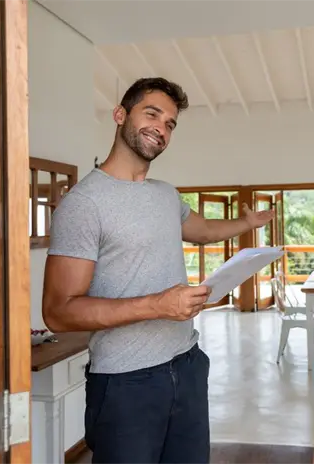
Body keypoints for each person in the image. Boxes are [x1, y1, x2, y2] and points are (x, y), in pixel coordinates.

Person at [42, 77, 275, 464]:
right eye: (152, 114)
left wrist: (246, 224)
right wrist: (158, 305)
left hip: (186, 364)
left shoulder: (165, 194)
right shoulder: (85, 204)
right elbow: (58, 311)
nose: (161, 128)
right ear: (120, 115)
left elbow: (202, 230)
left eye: (170, 123)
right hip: (125, 382)